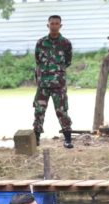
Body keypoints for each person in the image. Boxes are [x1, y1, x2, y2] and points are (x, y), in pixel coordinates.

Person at [33, 14, 73, 149]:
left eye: (57, 23)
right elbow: (38, 61)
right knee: (39, 111)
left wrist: (56, 73)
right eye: (52, 23)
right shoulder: (41, 43)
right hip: (43, 84)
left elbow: (67, 61)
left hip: (58, 85)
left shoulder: (66, 43)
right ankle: (36, 138)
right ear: (48, 25)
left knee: (62, 111)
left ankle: (68, 139)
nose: (54, 26)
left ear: (60, 26)